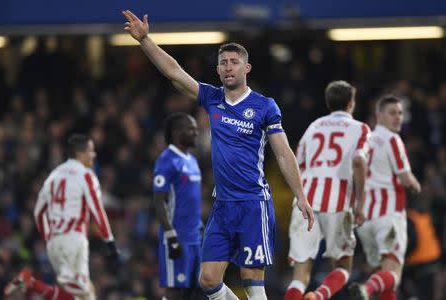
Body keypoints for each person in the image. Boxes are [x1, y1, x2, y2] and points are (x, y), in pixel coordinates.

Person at [122, 10, 314, 300]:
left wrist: (299, 194)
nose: (227, 67)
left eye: (234, 62)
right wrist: (145, 41)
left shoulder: (264, 107)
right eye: (223, 62)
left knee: (252, 279)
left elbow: (284, 152)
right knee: (208, 280)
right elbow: (174, 72)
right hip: (222, 206)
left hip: (252, 203)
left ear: (246, 68)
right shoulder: (212, 98)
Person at [4, 134, 120, 300]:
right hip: (74, 241)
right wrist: (110, 241)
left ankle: (32, 283)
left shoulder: (53, 176)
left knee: (82, 297)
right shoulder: (86, 175)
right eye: (91, 151)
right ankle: (36, 283)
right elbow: (97, 210)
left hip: (55, 244)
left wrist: (48, 237)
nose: (94, 155)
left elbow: (38, 211)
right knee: (83, 294)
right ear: (80, 153)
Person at [285, 81, 369, 300]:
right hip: (338, 202)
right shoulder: (360, 128)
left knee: (300, 275)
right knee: (342, 266)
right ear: (351, 103)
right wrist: (360, 203)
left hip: (306, 201)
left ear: (328, 103)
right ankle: (320, 296)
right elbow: (359, 160)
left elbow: (295, 163)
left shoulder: (313, 127)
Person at [350, 95, 422, 300]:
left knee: (382, 277)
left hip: (364, 220)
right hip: (387, 216)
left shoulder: (363, 141)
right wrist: (417, 186)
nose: (398, 117)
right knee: (393, 275)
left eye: (400, 113)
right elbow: (407, 179)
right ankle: (366, 289)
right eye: (392, 113)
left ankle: (371, 287)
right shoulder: (392, 139)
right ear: (379, 115)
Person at [153, 112, 203, 299]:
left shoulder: (192, 160)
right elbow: (159, 201)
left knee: (192, 291)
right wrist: (171, 235)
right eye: (191, 129)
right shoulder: (166, 160)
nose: (196, 133)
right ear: (176, 132)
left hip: (194, 238)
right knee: (175, 291)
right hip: (177, 237)